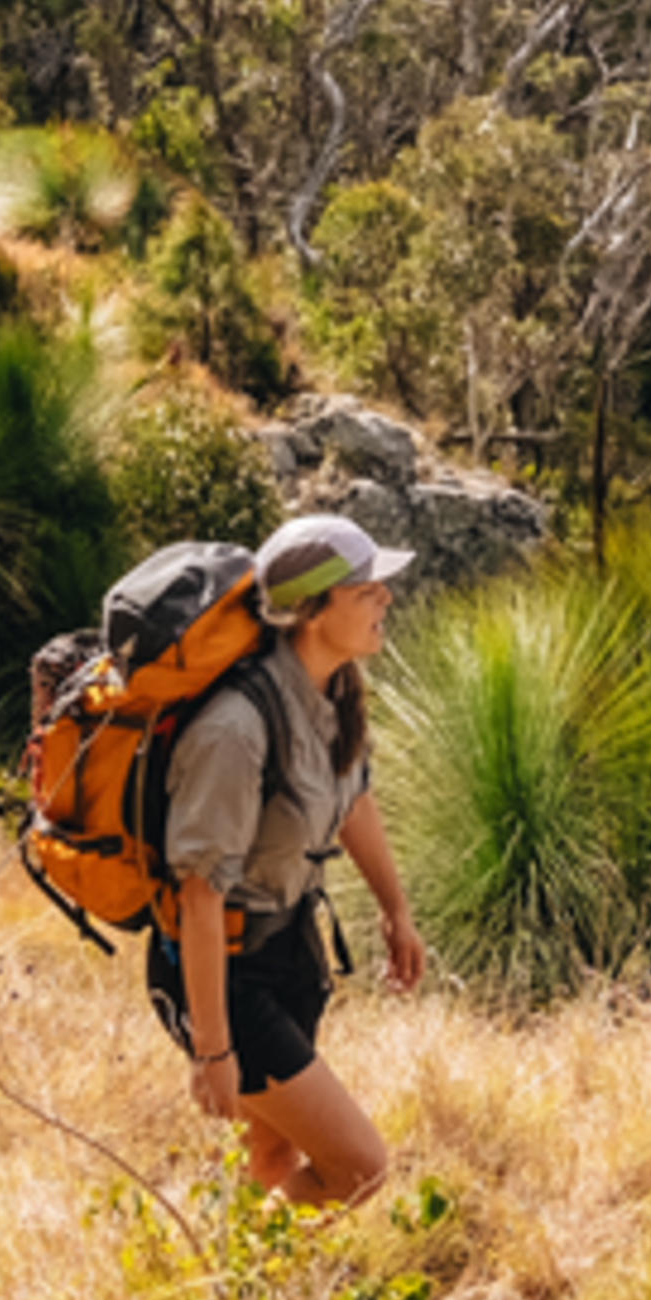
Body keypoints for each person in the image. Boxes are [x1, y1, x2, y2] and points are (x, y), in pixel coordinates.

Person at [156, 512, 428, 1208]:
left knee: (272, 1151)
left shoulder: (333, 692)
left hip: (288, 951)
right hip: (229, 973)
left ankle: (251, 1297)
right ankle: (248, 1285)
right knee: (360, 1166)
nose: (384, 598)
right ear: (312, 609)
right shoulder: (235, 730)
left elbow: (352, 797)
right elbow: (199, 898)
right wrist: (212, 1050)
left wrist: (397, 911)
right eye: (365, 588)